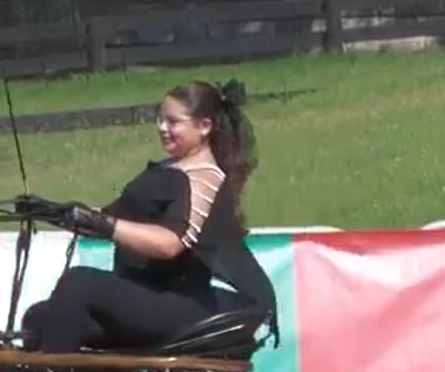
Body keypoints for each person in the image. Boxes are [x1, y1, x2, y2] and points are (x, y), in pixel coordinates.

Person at [22, 78, 277, 354]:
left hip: (177, 305)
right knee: (40, 318)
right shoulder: (167, 170)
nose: (162, 128)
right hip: (144, 296)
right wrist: (54, 212)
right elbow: (109, 217)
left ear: (204, 126)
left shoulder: (204, 177)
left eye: (173, 122)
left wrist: (103, 224)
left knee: (79, 282)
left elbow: (170, 243)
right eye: (160, 119)